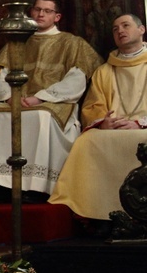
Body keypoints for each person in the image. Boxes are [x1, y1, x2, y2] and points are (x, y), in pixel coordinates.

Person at [0, 0, 102, 202]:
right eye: (37, 9)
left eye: (47, 11)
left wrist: (40, 98)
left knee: (40, 118)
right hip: (17, 100)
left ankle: (36, 188)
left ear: (57, 17)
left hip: (53, 103)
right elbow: (1, 76)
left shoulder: (72, 43)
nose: (40, 14)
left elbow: (76, 80)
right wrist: (10, 97)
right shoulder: (17, 43)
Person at [49, 14, 147, 224]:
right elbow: (92, 105)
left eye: (125, 25)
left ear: (141, 30)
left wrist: (138, 123)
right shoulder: (104, 71)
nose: (120, 31)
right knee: (87, 141)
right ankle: (95, 213)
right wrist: (103, 122)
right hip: (114, 128)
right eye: (115, 28)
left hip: (143, 126)